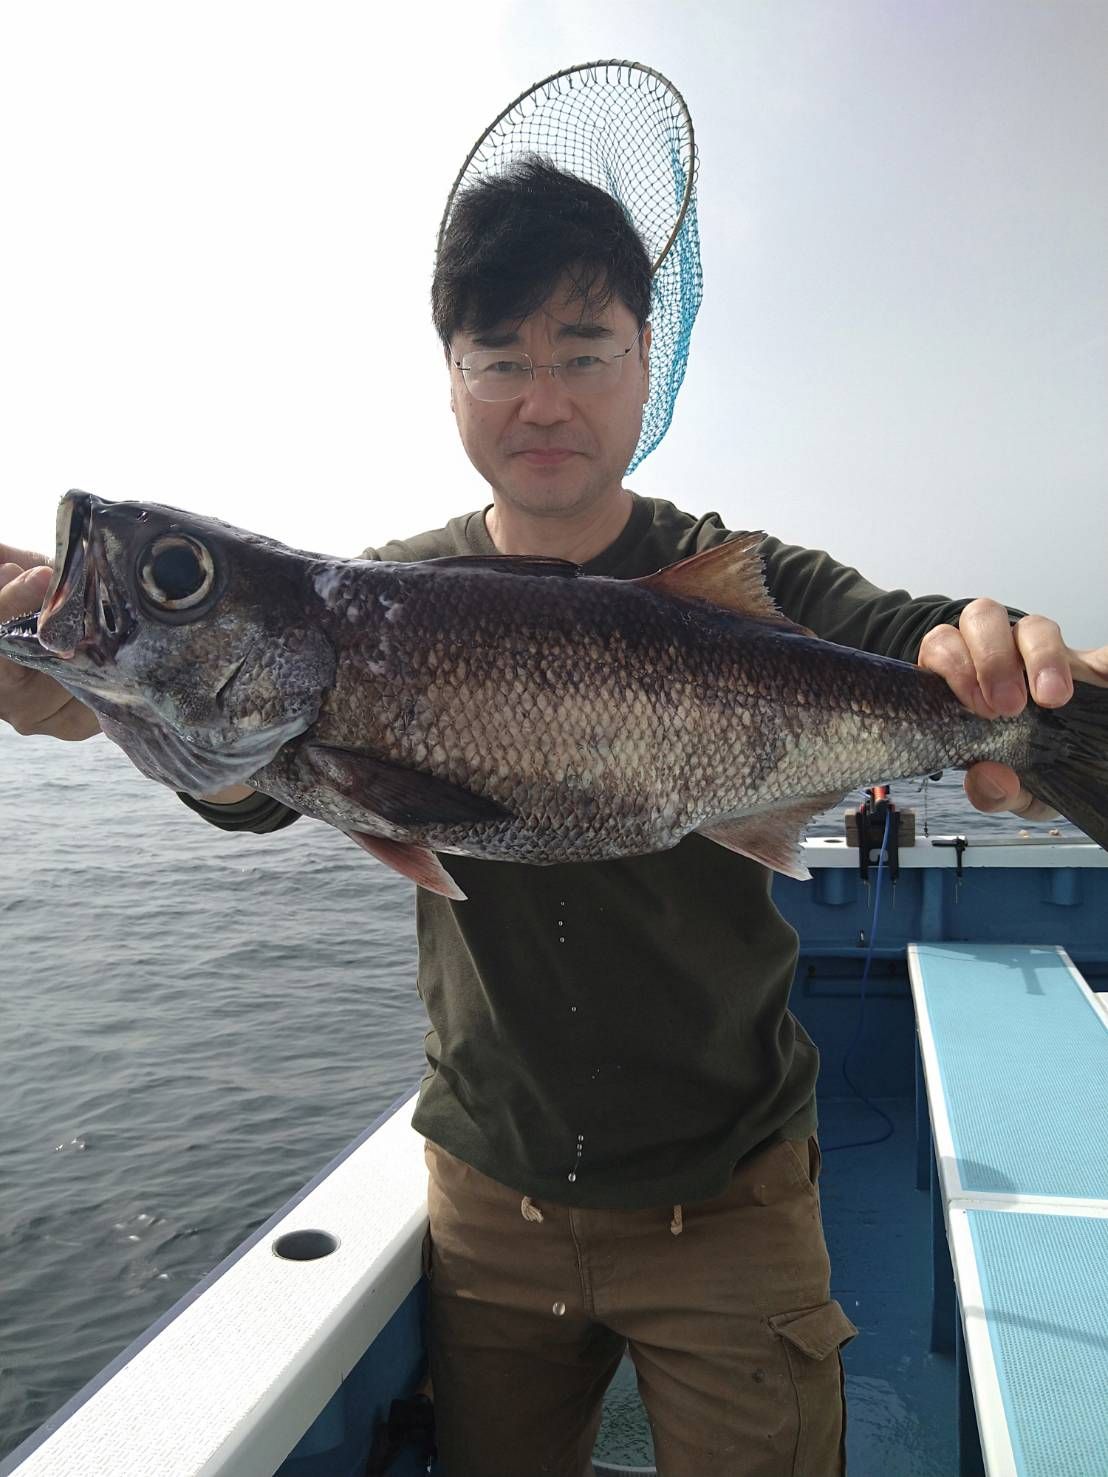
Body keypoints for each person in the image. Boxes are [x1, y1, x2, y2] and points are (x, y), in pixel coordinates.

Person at [2, 159, 1105, 1476]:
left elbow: (911, 636)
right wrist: (117, 702)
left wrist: (1009, 669)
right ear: (450, 378)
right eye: (499, 358)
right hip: (492, 1207)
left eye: (584, 351)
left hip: (737, 1199)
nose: (542, 397)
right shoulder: (386, 592)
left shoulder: (748, 577)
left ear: (647, 364)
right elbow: (249, 791)